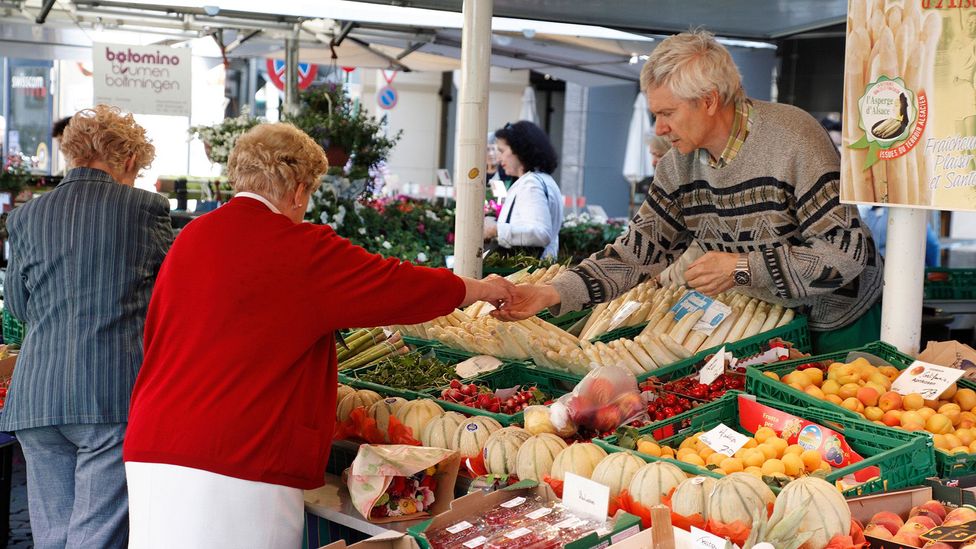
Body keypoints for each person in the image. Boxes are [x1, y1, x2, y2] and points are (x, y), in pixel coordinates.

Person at [122, 122, 513, 548]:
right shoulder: (300, 248)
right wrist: (480, 288)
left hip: (152, 449)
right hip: (240, 461)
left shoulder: (193, 236)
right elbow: (398, 285)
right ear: (299, 190)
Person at [493, 30, 884, 354]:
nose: (659, 129)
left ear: (709, 101)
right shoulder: (677, 166)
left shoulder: (794, 139)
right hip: (767, 320)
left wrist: (743, 267)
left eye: (667, 113)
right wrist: (551, 292)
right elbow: (637, 252)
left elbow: (844, 253)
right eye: (655, 114)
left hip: (840, 319)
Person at [0, 104, 173, 548]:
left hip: (36, 396)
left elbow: (18, 306)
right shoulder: (144, 208)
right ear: (130, 161)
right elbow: (167, 298)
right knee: (95, 536)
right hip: (109, 394)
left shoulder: (25, 216)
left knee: (53, 536)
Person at [483, 120, 564, 260]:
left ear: (519, 150)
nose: (499, 157)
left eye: (502, 151)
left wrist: (495, 229)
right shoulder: (541, 180)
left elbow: (541, 233)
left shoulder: (531, 184)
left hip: (526, 271)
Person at [858, 205, 942, 267]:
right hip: (907, 274)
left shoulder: (867, 216)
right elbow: (932, 244)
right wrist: (934, 269)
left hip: (879, 275)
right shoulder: (910, 212)